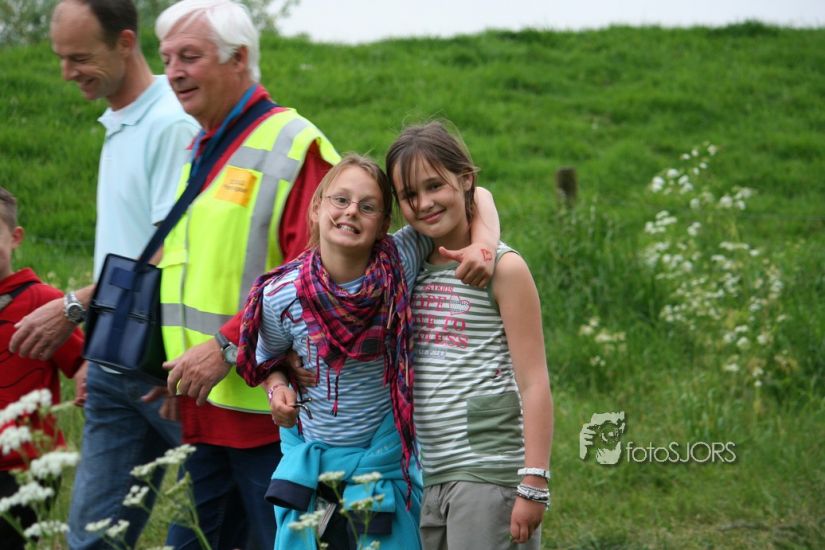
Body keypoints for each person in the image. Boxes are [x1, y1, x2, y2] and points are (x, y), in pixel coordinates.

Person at [237, 154, 498, 550]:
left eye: (368, 206)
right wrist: (277, 388)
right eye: (340, 200)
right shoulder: (281, 295)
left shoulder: (399, 261)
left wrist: (484, 246)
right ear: (317, 208)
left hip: (383, 463)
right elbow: (266, 358)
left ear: (383, 225)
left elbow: (475, 195)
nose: (351, 212)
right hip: (314, 466)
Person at [9, 1, 198, 547]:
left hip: (164, 368)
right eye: (61, 57)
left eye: (80, 58)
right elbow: (128, 244)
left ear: (125, 43)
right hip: (118, 361)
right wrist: (98, 346)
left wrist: (75, 305)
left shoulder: (170, 124)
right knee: (91, 539)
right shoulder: (123, 120)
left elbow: (172, 250)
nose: (67, 72)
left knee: (210, 525)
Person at [151, 1, 339, 548]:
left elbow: (316, 275)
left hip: (273, 425)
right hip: (205, 411)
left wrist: (226, 347)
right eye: (166, 59)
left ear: (239, 59)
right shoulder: (202, 145)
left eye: (190, 56)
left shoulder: (295, 145)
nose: (174, 72)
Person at [386, 121, 555, 549]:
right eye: (409, 195)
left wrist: (534, 482)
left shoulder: (504, 268)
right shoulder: (411, 267)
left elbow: (534, 381)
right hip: (431, 474)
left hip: (489, 475)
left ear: (464, 179)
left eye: (434, 186)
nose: (425, 203)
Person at [0, 187, 85, 550]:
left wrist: (87, 381)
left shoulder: (44, 303)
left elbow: (82, 363)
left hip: (24, 468)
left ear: (15, 237)